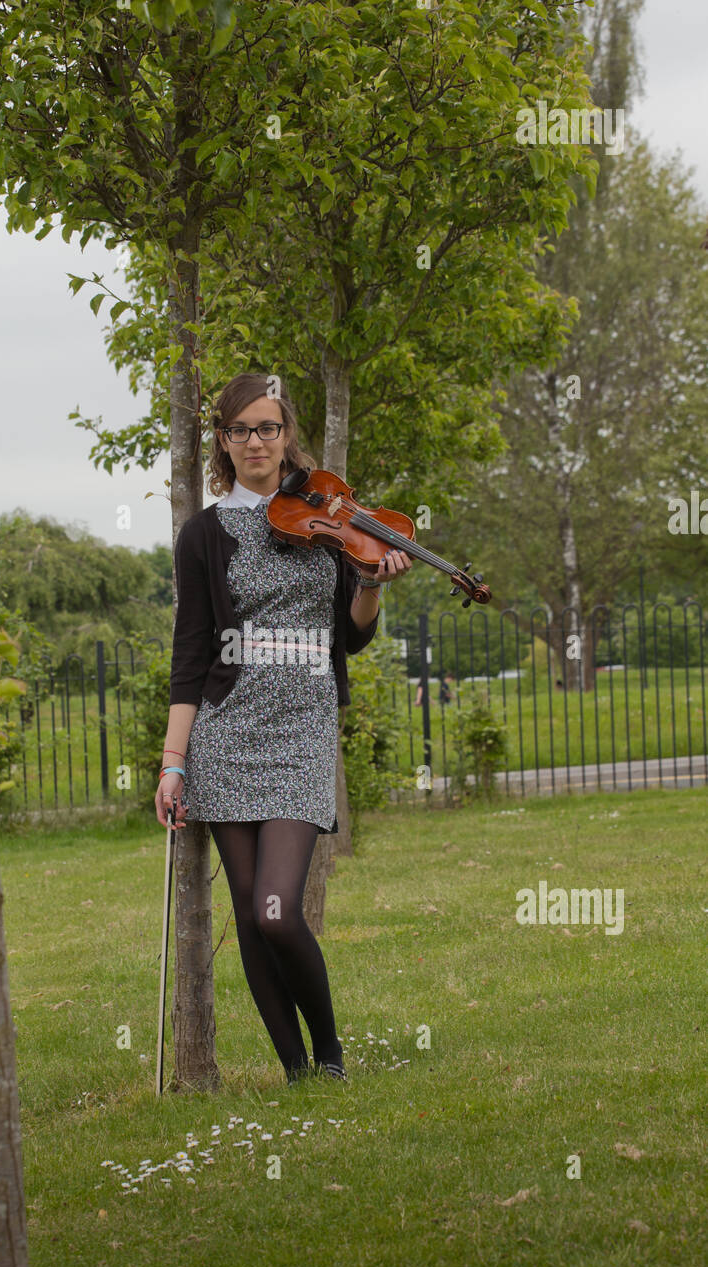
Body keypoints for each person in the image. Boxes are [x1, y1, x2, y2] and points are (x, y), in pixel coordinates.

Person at [154, 372, 412, 1086]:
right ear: (223, 442)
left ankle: (328, 1053)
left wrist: (369, 584)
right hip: (225, 734)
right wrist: (174, 762)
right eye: (240, 430)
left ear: (286, 434)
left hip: (301, 726)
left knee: (275, 910)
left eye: (267, 427)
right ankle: (296, 1072)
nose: (255, 442)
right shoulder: (203, 533)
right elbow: (191, 654)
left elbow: (349, 639)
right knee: (247, 912)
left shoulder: (327, 518)